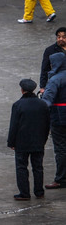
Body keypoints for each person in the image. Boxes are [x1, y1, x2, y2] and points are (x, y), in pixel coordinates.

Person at [8, 79, 50, 199]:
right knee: (38, 167)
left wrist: (11, 142)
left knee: (21, 167)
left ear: (22, 90)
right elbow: (47, 124)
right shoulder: (43, 104)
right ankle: (39, 191)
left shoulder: (18, 105)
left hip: (22, 142)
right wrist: (44, 139)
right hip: (38, 141)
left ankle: (24, 193)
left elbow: (14, 125)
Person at [41, 53, 66, 189]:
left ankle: (61, 179)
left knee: (61, 149)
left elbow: (47, 102)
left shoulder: (55, 80)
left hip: (59, 118)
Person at [39, 27, 66, 93]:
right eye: (58, 37)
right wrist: (43, 86)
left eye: (64, 37)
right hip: (57, 82)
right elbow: (45, 69)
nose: (61, 39)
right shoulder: (50, 50)